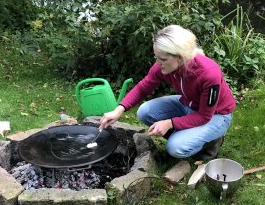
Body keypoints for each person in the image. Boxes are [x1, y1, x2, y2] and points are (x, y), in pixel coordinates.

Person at [99, 25, 236, 160]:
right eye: (156, 57)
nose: (158, 63)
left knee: (175, 147)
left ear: (180, 58)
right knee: (144, 111)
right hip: (188, 103)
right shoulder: (164, 66)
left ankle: (211, 142)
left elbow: (204, 116)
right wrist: (119, 110)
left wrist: (170, 123)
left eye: (163, 59)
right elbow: (143, 87)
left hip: (216, 114)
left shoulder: (208, 73)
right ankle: (186, 134)